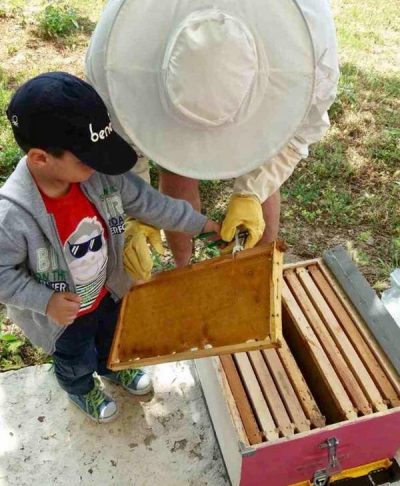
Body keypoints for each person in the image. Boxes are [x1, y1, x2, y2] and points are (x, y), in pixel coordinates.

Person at [0, 72, 220, 423]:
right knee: (75, 357)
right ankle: (80, 387)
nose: (100, 164)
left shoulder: (99, 173)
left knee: (112, 336)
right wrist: (45, 302)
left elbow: (151, 203)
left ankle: (114, 366)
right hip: (62, 317)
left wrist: (204, 226)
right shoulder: (12, 215)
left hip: (107, 291)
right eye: (88, 158)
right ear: (41, 158)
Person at [85, 0, 340, 277]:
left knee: (265, 155)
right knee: (175, 165)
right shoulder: (111, 55)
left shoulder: (313, 49)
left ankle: (261, 275)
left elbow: (294, 138)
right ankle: (184, 272)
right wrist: (138, 210)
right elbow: (120, 142)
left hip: (275, 67)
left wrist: (253, 191)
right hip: (158, 75)